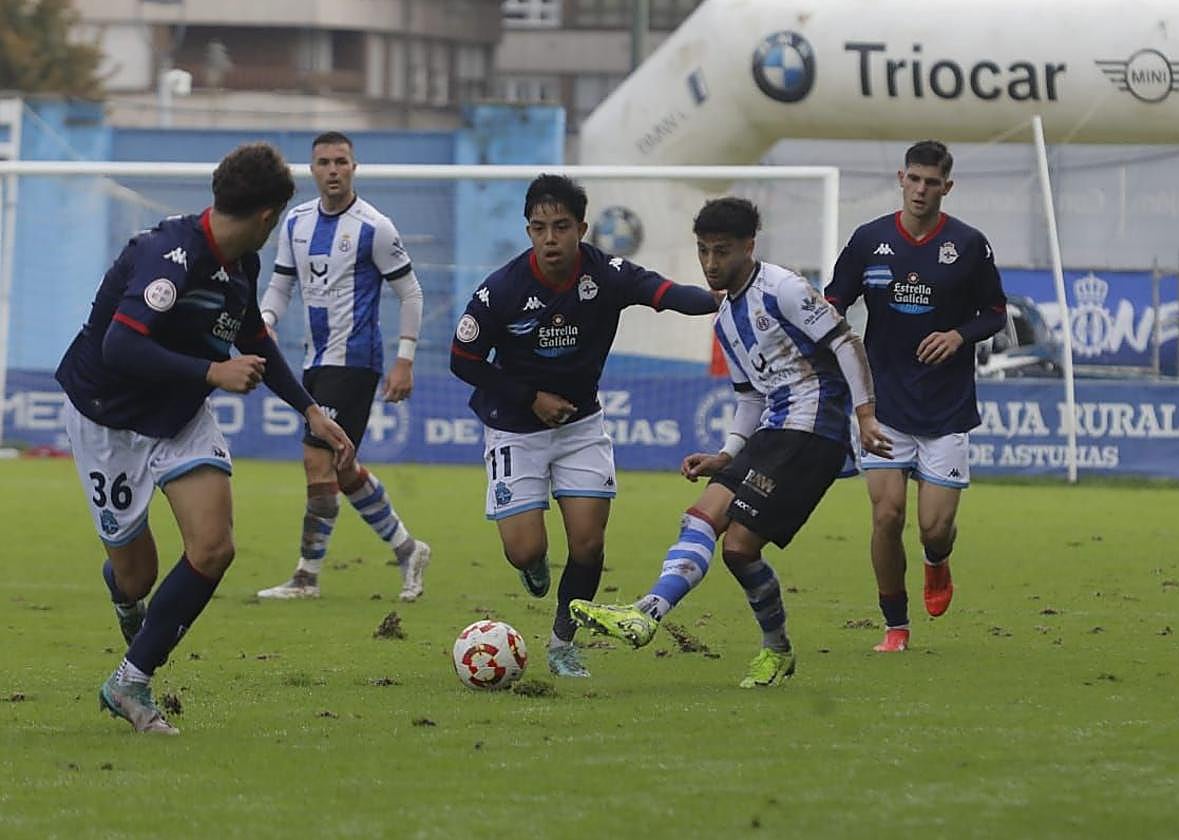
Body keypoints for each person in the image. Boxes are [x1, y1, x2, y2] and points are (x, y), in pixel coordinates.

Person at [55, 143, 355, 734]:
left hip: (180, 415)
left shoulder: (243, 263)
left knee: (214, 547)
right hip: (106, 419)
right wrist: (211, 372)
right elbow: (121, 345)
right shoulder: (167, 256)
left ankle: (130, 683)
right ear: (270, 216)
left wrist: (310, 410)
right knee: (137, 576)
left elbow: (253, 339)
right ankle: (123, 594)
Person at [569, 197, 892, 688]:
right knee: (738, 549)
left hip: (812, 429)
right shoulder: (723, 318)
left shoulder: (782, 288)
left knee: (707, 518)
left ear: (748, 246)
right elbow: (748, 396)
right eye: (703, 251)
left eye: (722, 251)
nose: (711, 263)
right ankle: (777, 651)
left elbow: (846, 341)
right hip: (776, 430)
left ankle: (647, 612)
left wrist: (865, 414)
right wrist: (727, 452)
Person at [449, 174, 720, 678]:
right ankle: (531, 564)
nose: (550, 239)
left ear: (582, 228)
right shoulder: (502, 289)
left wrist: (725, 296)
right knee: (525, 549)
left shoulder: (607, 274)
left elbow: (665, 293)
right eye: (539, 228)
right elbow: (462, 359)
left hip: (580, 427)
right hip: (513, 428)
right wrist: (529, 397)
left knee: (589, 543)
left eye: (561, 227)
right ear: (527, 231)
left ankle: (560, 643)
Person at [822, 139, 1007, 653]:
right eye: (915, 179)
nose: (922, 189)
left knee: (934, 529)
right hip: (883, 404)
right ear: (901, 179)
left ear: (947, 187)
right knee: (886, 516)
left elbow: (995, 312)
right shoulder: (869, 240)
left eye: (933, 182)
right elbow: (834, 300)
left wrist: (958, 336)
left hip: (945, 409)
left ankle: (936, 562)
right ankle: (895, 625)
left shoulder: (968, 245)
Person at [255, 131, 431, 602]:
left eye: (341, 161)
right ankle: (407, 548)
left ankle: (306, 577)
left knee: (317, 459)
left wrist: (404, 359)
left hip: (354, 361)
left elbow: (410, 293)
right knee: (341, 467)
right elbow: (279, 285)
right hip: (312, 359)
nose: (333, 170)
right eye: (323, 162)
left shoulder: (375, 227)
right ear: (311, 170)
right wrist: (267, 320)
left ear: (355, 167)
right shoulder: (295, 223)